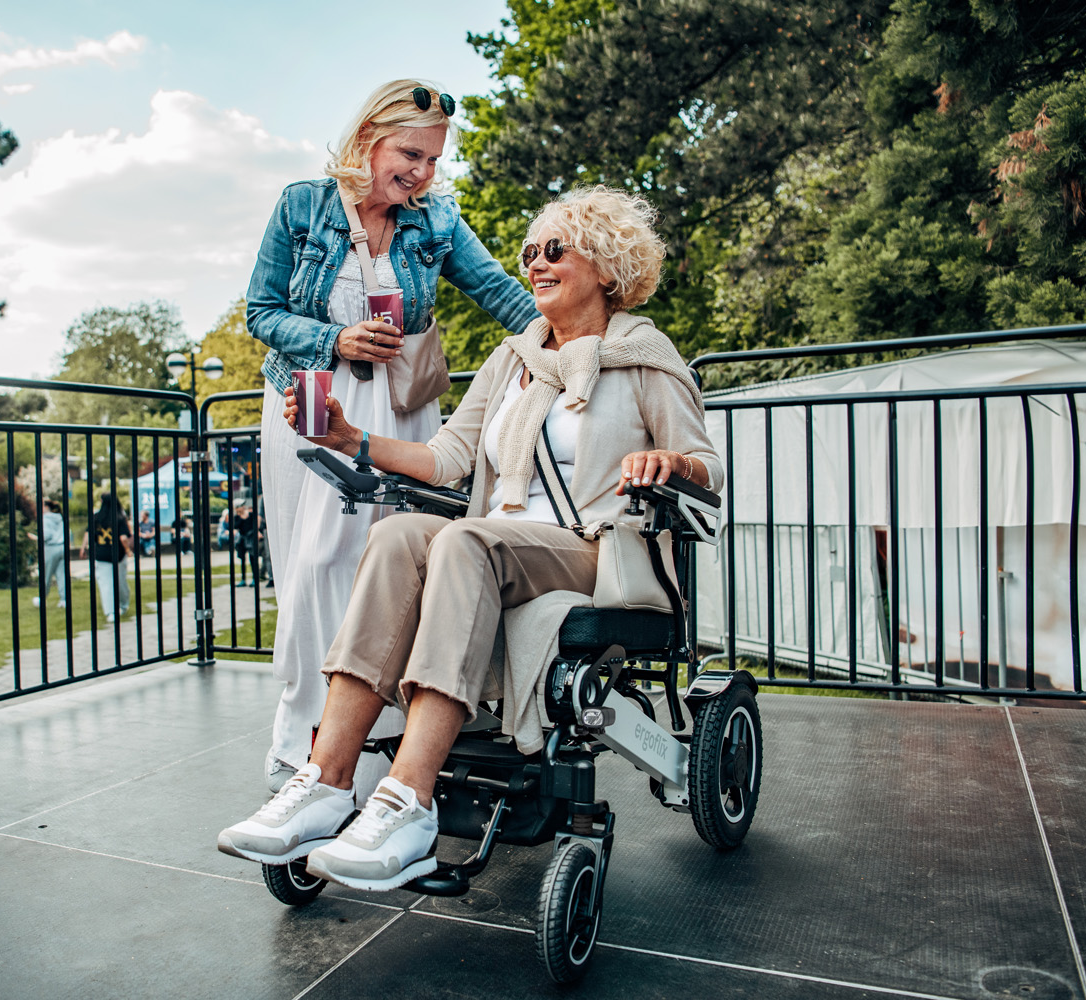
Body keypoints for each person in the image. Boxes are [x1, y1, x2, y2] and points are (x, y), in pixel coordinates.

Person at [219, 186, 725, 891]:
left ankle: (409, 800)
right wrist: (348, 437)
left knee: (462, 541)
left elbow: (706, 465)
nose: (534, 264)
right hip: (502, 541)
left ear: (607, 268)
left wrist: (671, 462)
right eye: (528, 253)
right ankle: (328, 781)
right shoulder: (512, 360)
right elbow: (448, 458)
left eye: (554, 250)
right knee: (400, 535)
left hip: (594, 549)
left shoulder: (644, 356)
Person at [247, 78, 539, 791]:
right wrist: (336, 338)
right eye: (411, 153)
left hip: (403, 408)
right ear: (369, 137)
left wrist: (583, 340)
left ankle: (378, 734)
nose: (423, 172)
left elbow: (501, 291)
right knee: (314, 565)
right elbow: (261, 310)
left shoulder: (435, 220)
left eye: (434, 159)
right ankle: (304, 736)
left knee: (390, 563)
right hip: (311, 395)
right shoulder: (301, 205)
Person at [79, 492, 132, 622]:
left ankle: (111, 612)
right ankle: (123, 605)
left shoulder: (96, 517)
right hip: (118, 555)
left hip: (101, 554)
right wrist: (128, 550)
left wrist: (83, 547)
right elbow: (123, 537)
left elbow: (88, 533)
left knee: (106, 584)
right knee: (121, 582)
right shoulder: (119, 517)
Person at [27, 499, 68, 609]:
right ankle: (64, 600)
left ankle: (42, 598)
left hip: (51, 548)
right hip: (62, 546)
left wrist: (34, 538)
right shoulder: (59, 517)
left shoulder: (45, 519)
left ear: (45, 507)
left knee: (46, 575)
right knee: (62, 575)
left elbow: (46, 536)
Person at [232, 501, 259, 586]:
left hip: (250, 538)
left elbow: (254, 525)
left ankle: (254, 578)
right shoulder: (237, 517)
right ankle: (243, 579)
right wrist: (240, 516)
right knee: (242, 560)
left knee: (252, 559)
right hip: (242, 539)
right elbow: (235, 526)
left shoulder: (250, 515)